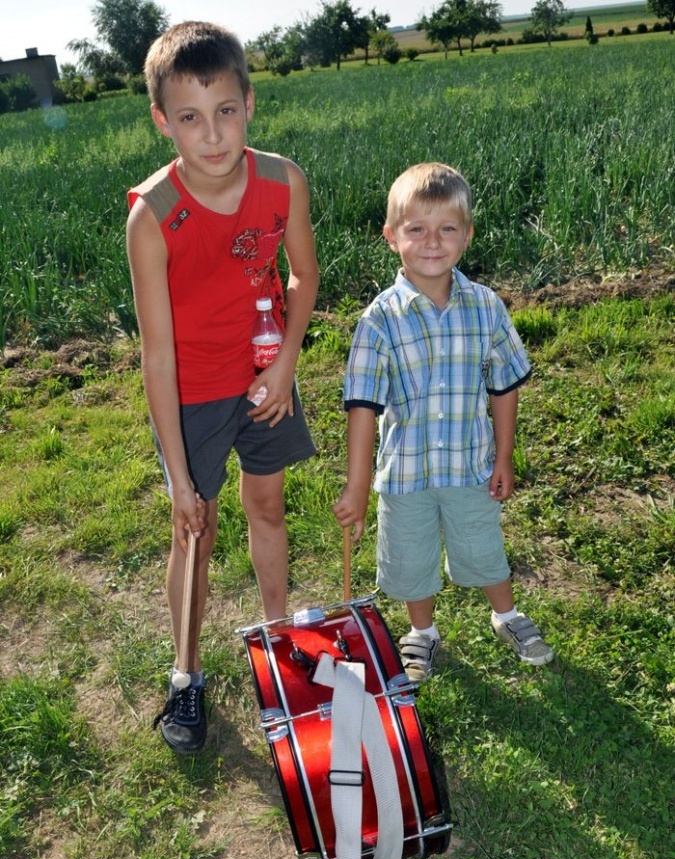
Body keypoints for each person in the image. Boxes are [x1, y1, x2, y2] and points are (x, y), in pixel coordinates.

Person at [126, 22, 319, 752]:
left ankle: (276, 644)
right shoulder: (152, 216)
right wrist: (178, 475)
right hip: (193, 391)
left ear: (248, 102)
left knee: (265, 504)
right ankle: (186, 674)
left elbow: (302, 276)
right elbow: (157, 355)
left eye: (225, 111)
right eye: (188, 118)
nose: (211, 135)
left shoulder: (281, 180)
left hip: (265, 374)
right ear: (162, 121)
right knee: (194, 530)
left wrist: (284, 363)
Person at [333, 162, 553, 681]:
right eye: (417, 229)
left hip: (470, 464)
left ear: (467, 234)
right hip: (406, 473)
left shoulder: (485, 307)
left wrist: (503, 457)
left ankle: (506, 615)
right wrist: (359, 485)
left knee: (481, 543)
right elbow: (363, 404)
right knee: (411, 559)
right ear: (392, 237)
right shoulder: (380, 319)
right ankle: (422, 633)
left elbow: (504, 384)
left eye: (447, 228)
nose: (433, 242)